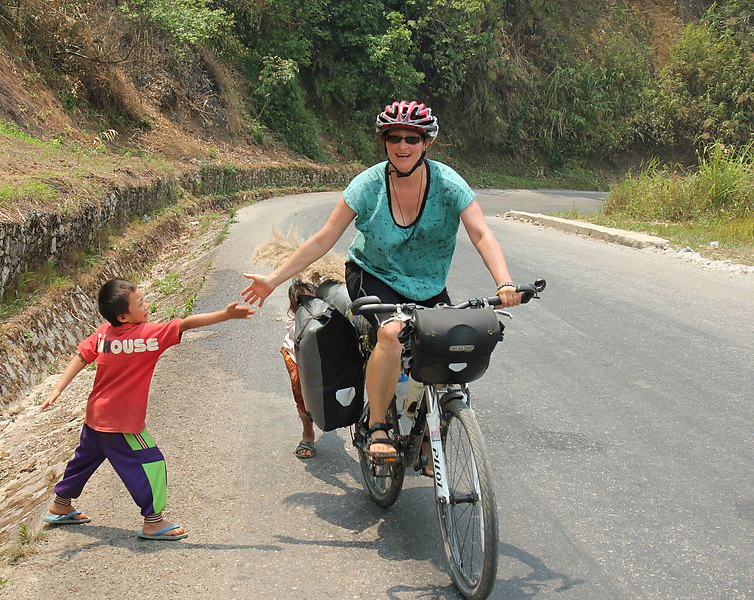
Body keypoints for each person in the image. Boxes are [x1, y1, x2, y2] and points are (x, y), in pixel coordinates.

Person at [241, 100, 521, 466]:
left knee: (444, 345)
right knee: (390, 333)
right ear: (384, 141)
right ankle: (377, 428)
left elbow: (481, 234)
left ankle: (424, 427)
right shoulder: (368, 185)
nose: (402, 146)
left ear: (427, 144)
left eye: (412, 139)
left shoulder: (448, 184)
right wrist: (273, 279)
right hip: (373, 276)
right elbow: (324, 239)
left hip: (428, 285)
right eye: (394, 138)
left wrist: (504, 283)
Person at [39, 278, 254, 540]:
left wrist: (57, 389)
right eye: (140, 303)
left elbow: (82, 356)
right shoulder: (148, 336)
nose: (146, 305)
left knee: (84, 460)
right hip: (122, 423)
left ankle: (61, 504)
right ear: (123, 316)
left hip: (96, 416)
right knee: (152, 463)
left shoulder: (104, 334)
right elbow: (185, 323)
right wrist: (225, 315)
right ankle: (153, 522)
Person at [281, 279, 318, 459]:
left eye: (312, 301)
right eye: (302, 302)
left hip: (320, 357)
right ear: (294, 306)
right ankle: (307, 435)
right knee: (301, 394)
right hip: (296, 356)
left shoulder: (326, 313)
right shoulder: (294, 321)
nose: (308, 306)